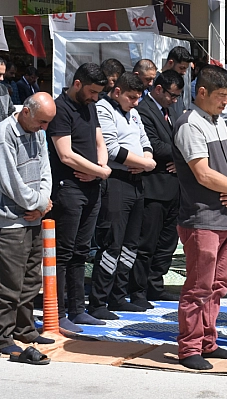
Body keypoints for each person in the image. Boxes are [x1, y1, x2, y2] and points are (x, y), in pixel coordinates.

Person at [172, 65, 227, 370]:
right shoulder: (190, 124)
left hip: (224, 217)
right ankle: (189, 347)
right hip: (200, 217)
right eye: (220, 96)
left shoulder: (218, 121)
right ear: (201, 92)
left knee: (220, 283)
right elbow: (203, 173)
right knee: (198, 285)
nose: (225, 102)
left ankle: (208, 341)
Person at [46, 63, 112, 333]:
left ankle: (77, 309)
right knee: (64, 252)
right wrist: (99, 171)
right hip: (69, 188)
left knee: (81, 252)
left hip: (91, 187)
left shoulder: (91, 106)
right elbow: (65, 154)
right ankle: (58, 311)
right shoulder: (61, 109)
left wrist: (100, 171)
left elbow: (100, 142)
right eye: (92, 91)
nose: (95, 97)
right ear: (77, 84)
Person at [89, 73, 156, 320]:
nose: (136, 102)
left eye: (139, 98)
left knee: (131, 244)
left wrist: (147, 160)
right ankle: (98, 301)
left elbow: (145, 140)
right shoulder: (104, 109)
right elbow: (112, 149)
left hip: (137, 181)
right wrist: (146, 164)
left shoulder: (134, 112)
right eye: (131, 97)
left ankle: (118, 295)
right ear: (117, 91)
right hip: (116, 182)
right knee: (112, 243)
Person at [0, 93, 56, 355]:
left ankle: (25, 328)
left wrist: (41, 202)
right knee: (10, 283)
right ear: (26, 112)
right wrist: (36, 203)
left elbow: (46, 169)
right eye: (41, 122)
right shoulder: (5, 135)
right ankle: (3, 336)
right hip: (10, 221)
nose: (43, 128)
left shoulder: (39, 133)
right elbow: (10, 181)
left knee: (31, 280)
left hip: (33, 216)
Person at [130, 70, 185, 306]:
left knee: (167, 242)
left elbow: (177, 140)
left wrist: (178, 157)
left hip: (174, 187)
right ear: (159, 89)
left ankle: (155, 284)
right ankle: (138, 289)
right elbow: (154, 145)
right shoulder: (143, 111)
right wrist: (182, 155)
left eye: (177, 97)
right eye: (172, 95)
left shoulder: (171, 111)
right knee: (147, 242)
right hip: (153, 186)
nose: (174, 101)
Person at [162, 46, 194, 115]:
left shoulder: (179, 82)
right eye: (181, 68)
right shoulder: (155, 81)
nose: (184, 72)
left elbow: (181, 108)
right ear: (170, 63)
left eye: (186, 69)